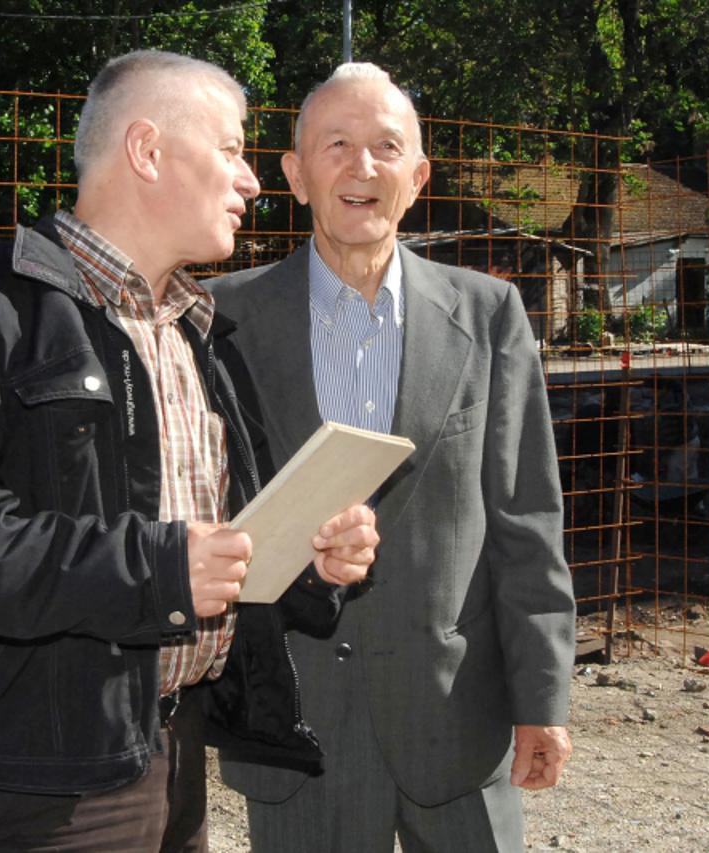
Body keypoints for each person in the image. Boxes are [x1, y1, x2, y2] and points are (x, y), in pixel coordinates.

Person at [0, 51, 379, 852]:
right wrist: (159, 569)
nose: (253, 183)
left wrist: (310, 559)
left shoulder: (196, 331)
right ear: (147, 150)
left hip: (174, 742)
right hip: (41, 775)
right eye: (233, 150)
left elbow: (214, 540)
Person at [210, 62, 576, 852]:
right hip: (296, 729)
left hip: (457, 722)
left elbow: (526, 517)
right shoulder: (223, 318)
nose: (361, 166)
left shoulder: (488, 314)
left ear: (418, 175)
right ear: (295, 173)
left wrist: (542, 693)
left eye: (385, 146)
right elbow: (198, 503)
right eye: (335, 143)